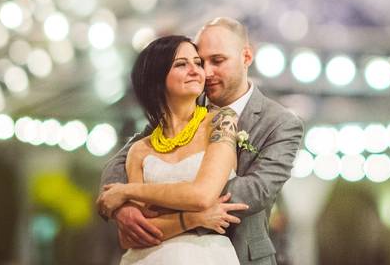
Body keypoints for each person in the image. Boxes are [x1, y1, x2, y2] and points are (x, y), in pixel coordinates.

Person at [99, 17, 305, 265]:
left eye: (217, 61)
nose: (206, 72)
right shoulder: (182, 106)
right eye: (200, 60)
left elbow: (255, 191)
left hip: (240, 254)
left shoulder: (280, 122)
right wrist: (121, 207)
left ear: (246, 57)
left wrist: (167, 202)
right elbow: (122, 160)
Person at [99, 34, 243, 264]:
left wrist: (127, 190)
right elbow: (132, 236)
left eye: (197, 63)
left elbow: (202, 195)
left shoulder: (222, 121)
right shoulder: (139, 150)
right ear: (157, 77)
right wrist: (193, 219)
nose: (196, 70)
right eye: (181, 64)